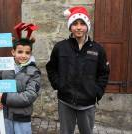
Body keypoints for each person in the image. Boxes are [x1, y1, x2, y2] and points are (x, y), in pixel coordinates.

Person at [46, 6, 110, 134]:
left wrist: (96, 92)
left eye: (82, 23)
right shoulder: (60, 47)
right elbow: (51, 67)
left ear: (87, 26)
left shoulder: (98, 49)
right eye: (75, 24)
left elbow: (103, 73)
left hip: (87, 102)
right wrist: (59, 85)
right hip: (65, 101)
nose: (79, 27)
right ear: (70, 27)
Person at [0, 23, 41, 134]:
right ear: (13, 52)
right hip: (4, 114)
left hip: (21, 117)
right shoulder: (4, 68)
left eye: (27, 53)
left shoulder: (34, 72)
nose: (23, 55)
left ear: (30, 53)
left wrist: (4, 98)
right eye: (20, 52)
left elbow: (29, 96)